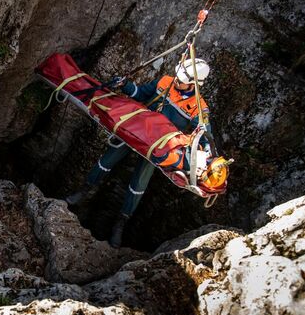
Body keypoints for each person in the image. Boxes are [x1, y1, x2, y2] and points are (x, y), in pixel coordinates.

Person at [66, 58, 215, 248]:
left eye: (182, 79)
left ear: (194, 84)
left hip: (159, 147)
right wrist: (126, 85)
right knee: (108, 159)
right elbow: (141, 94)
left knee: (139, 183)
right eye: (177, 76)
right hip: (137, 130)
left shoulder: (198, 109)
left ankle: (120, 223)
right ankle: (83, 191)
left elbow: (205, 137)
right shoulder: (165, 82)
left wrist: (208, 159)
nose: (177, 80)